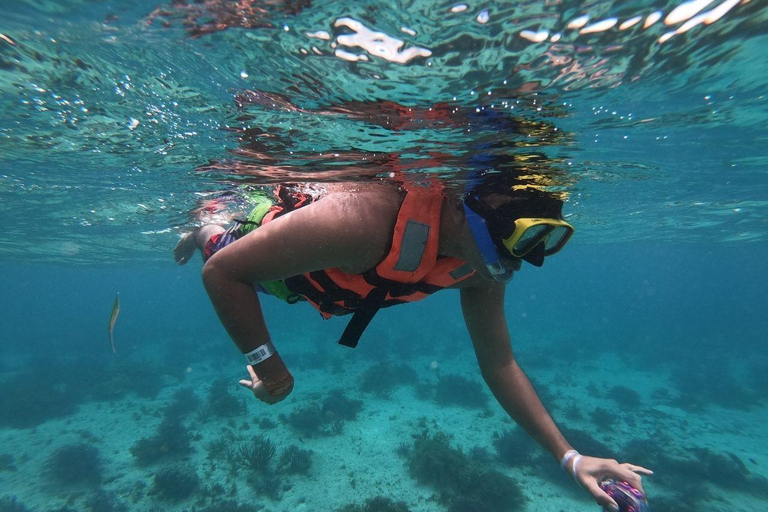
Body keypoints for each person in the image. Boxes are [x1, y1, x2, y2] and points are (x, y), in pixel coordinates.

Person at [175, 175, 652, 512]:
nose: (531, 262)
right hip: (268, 258)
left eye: (547, 242)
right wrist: (270, 369)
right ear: (474, 214)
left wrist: (570, 458)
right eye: (526, 239)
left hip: (321, 284)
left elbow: (499, 362)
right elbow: (223, 273)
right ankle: (203, 223)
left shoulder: (480, 266)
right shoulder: (363, 220)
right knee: (217, 247)